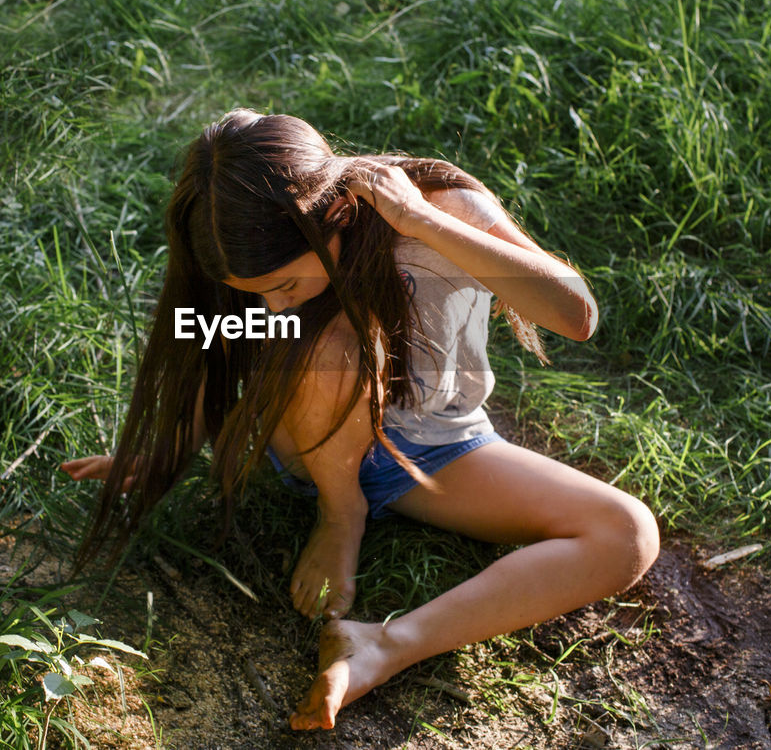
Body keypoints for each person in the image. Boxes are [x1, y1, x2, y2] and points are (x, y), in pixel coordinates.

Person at [60, 109, 659, 731]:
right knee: (327, 342)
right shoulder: (254, 246)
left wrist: (420, 221)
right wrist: (172, 444)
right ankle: (342, 513)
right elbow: (213, 336)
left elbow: (576, 315)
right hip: (307, 435)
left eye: (285, 285)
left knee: (627, 533)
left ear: (336, 217)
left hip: (435, 447)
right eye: (257, 292)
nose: (272, 306)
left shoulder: (442, 206)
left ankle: (383, 645)